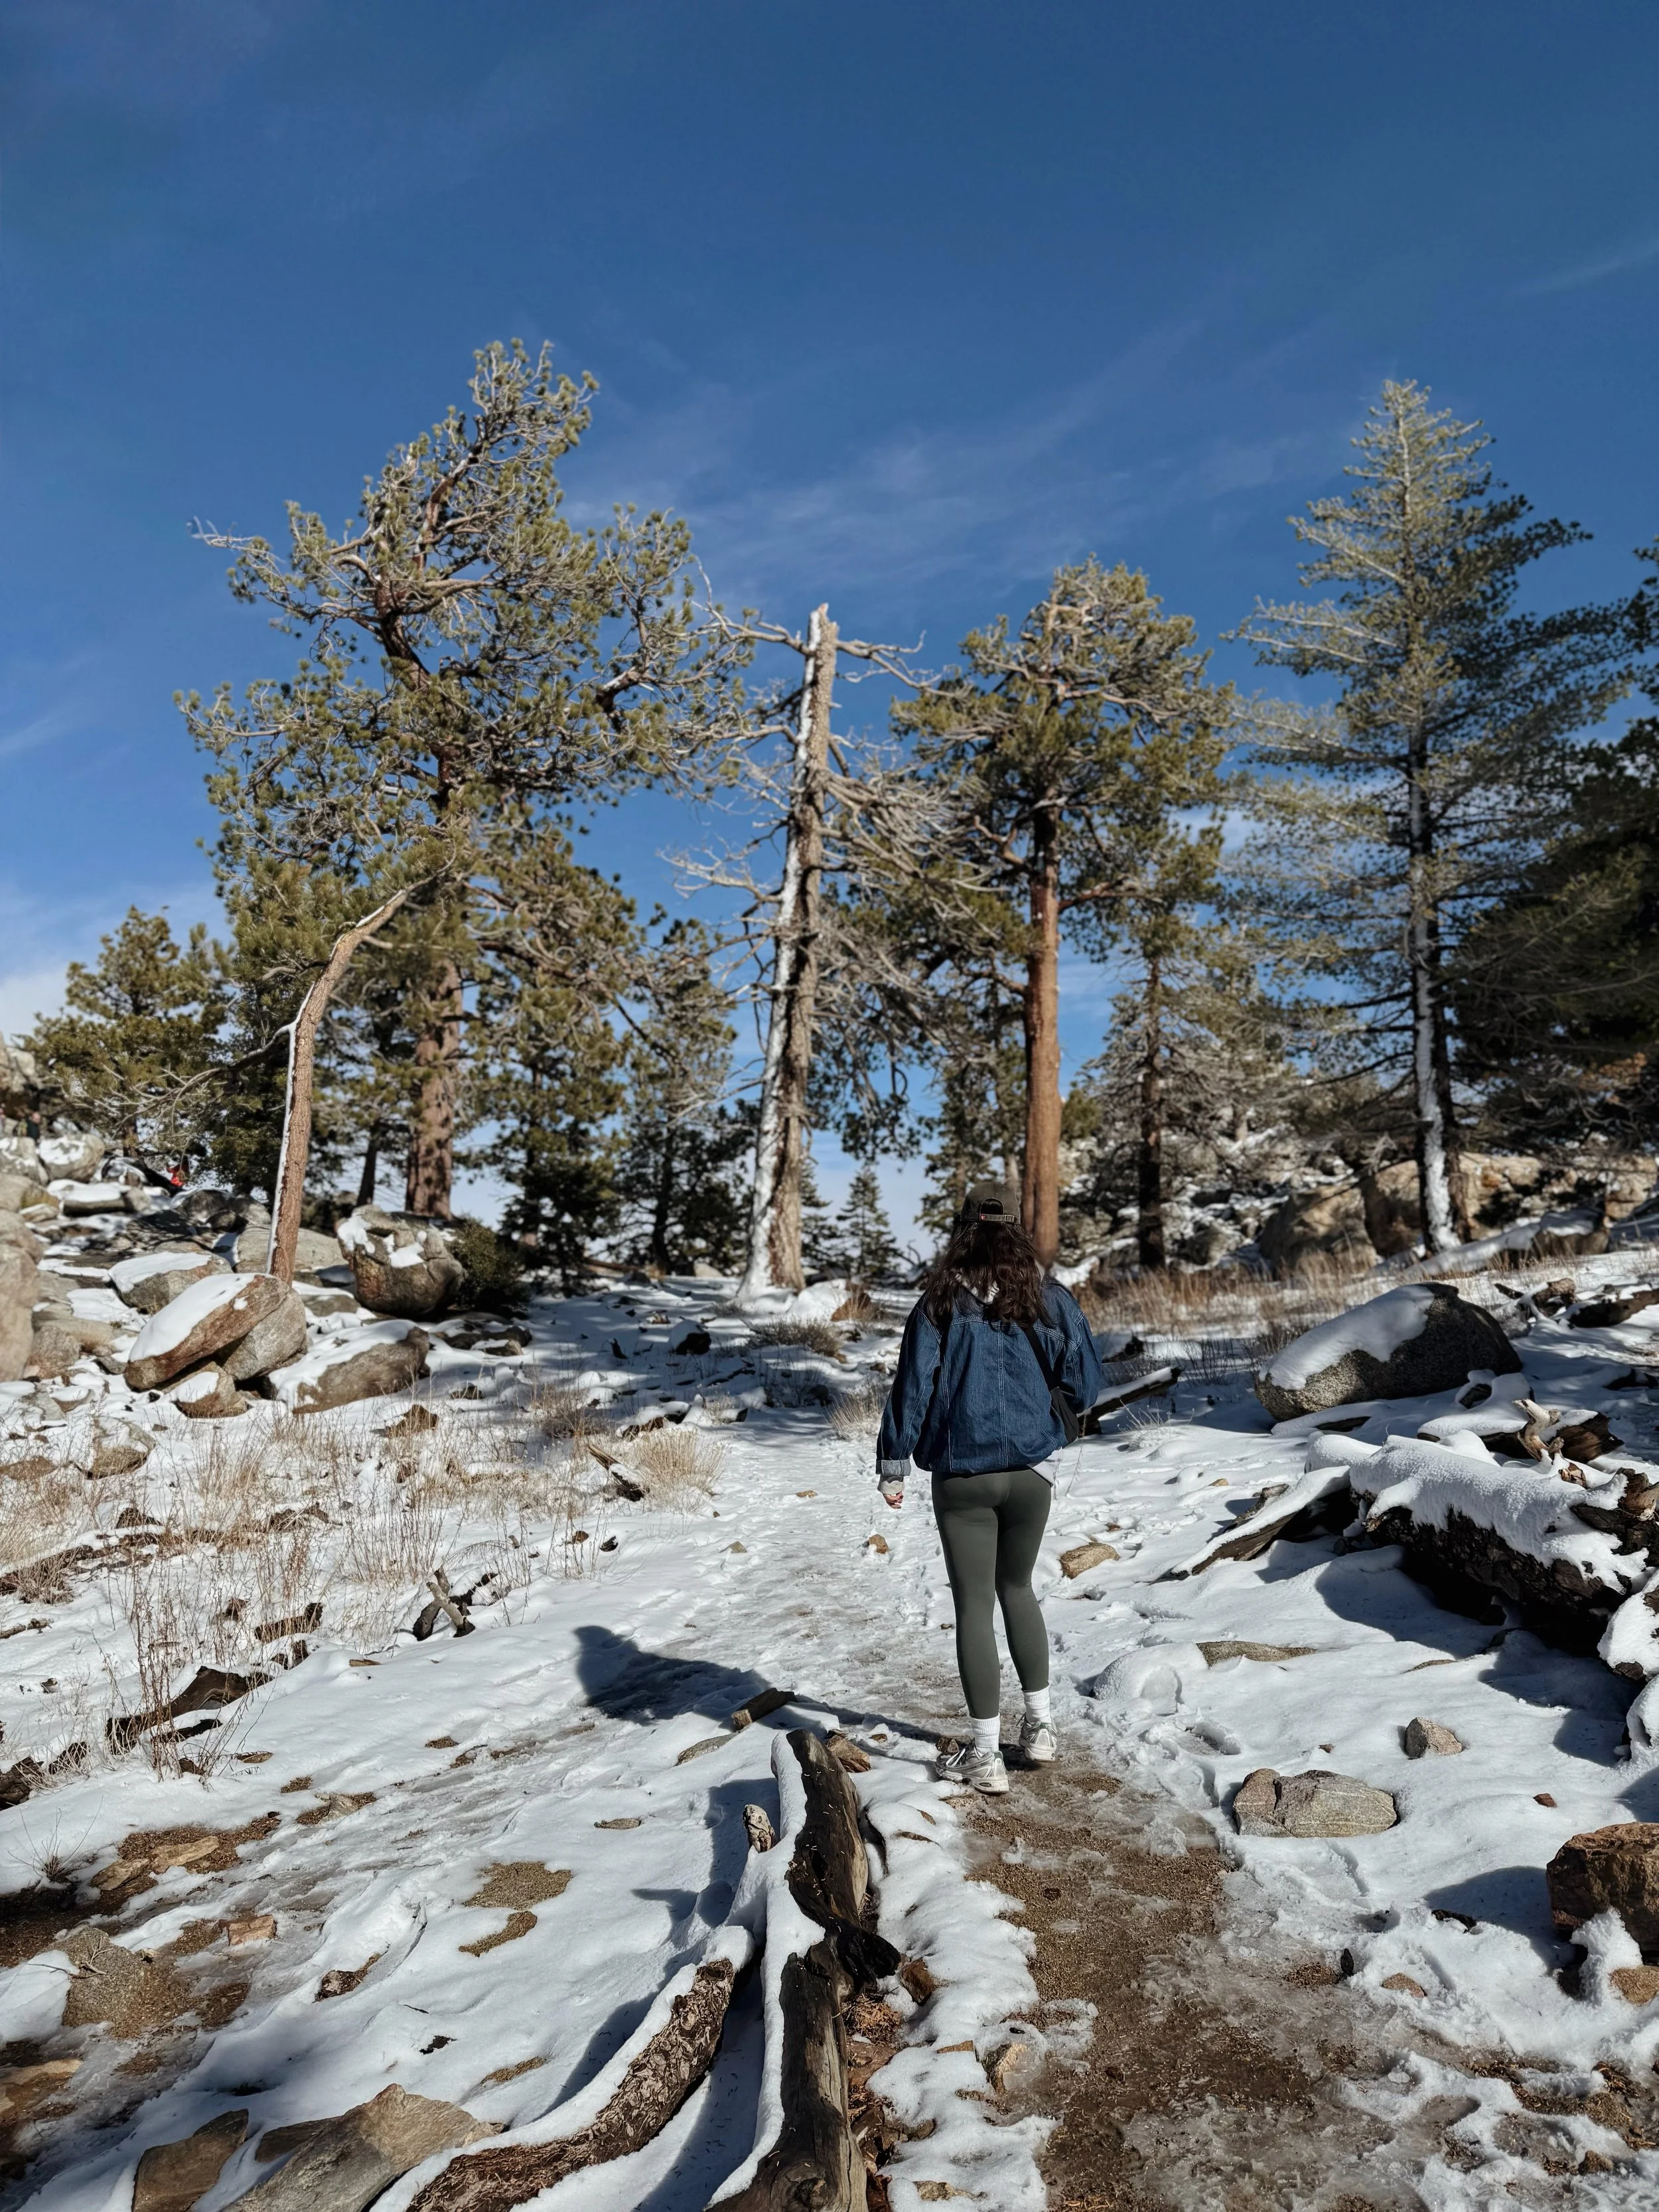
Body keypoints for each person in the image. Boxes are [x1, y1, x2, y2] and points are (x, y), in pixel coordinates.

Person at [877, 1180, 1104, 1794]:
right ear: (1016, 1227)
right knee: (1019, 1588)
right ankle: (1043, 1727)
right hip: (1032, 1472)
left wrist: (893, 1462)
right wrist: (1052, 1413)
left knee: (974, 1605)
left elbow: (912, 1388)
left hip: (963, 1475)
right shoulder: (1050, 1298)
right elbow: (1086, 1380)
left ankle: (985, 1755)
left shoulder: (940, 1304)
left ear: (963, 1229)